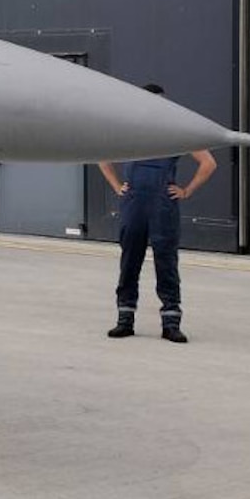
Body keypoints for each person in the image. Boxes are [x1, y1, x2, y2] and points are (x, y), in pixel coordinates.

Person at [97, 83, 217, 344]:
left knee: (166, 264)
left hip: (163, 206)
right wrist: (118, 186)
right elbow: (101, 156)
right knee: (129, 262)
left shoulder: (177, 131)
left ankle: (171, 323)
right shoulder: (126, 130)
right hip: (134, 205)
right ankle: (125, 320)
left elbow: (209, 163)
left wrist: (186, 190)